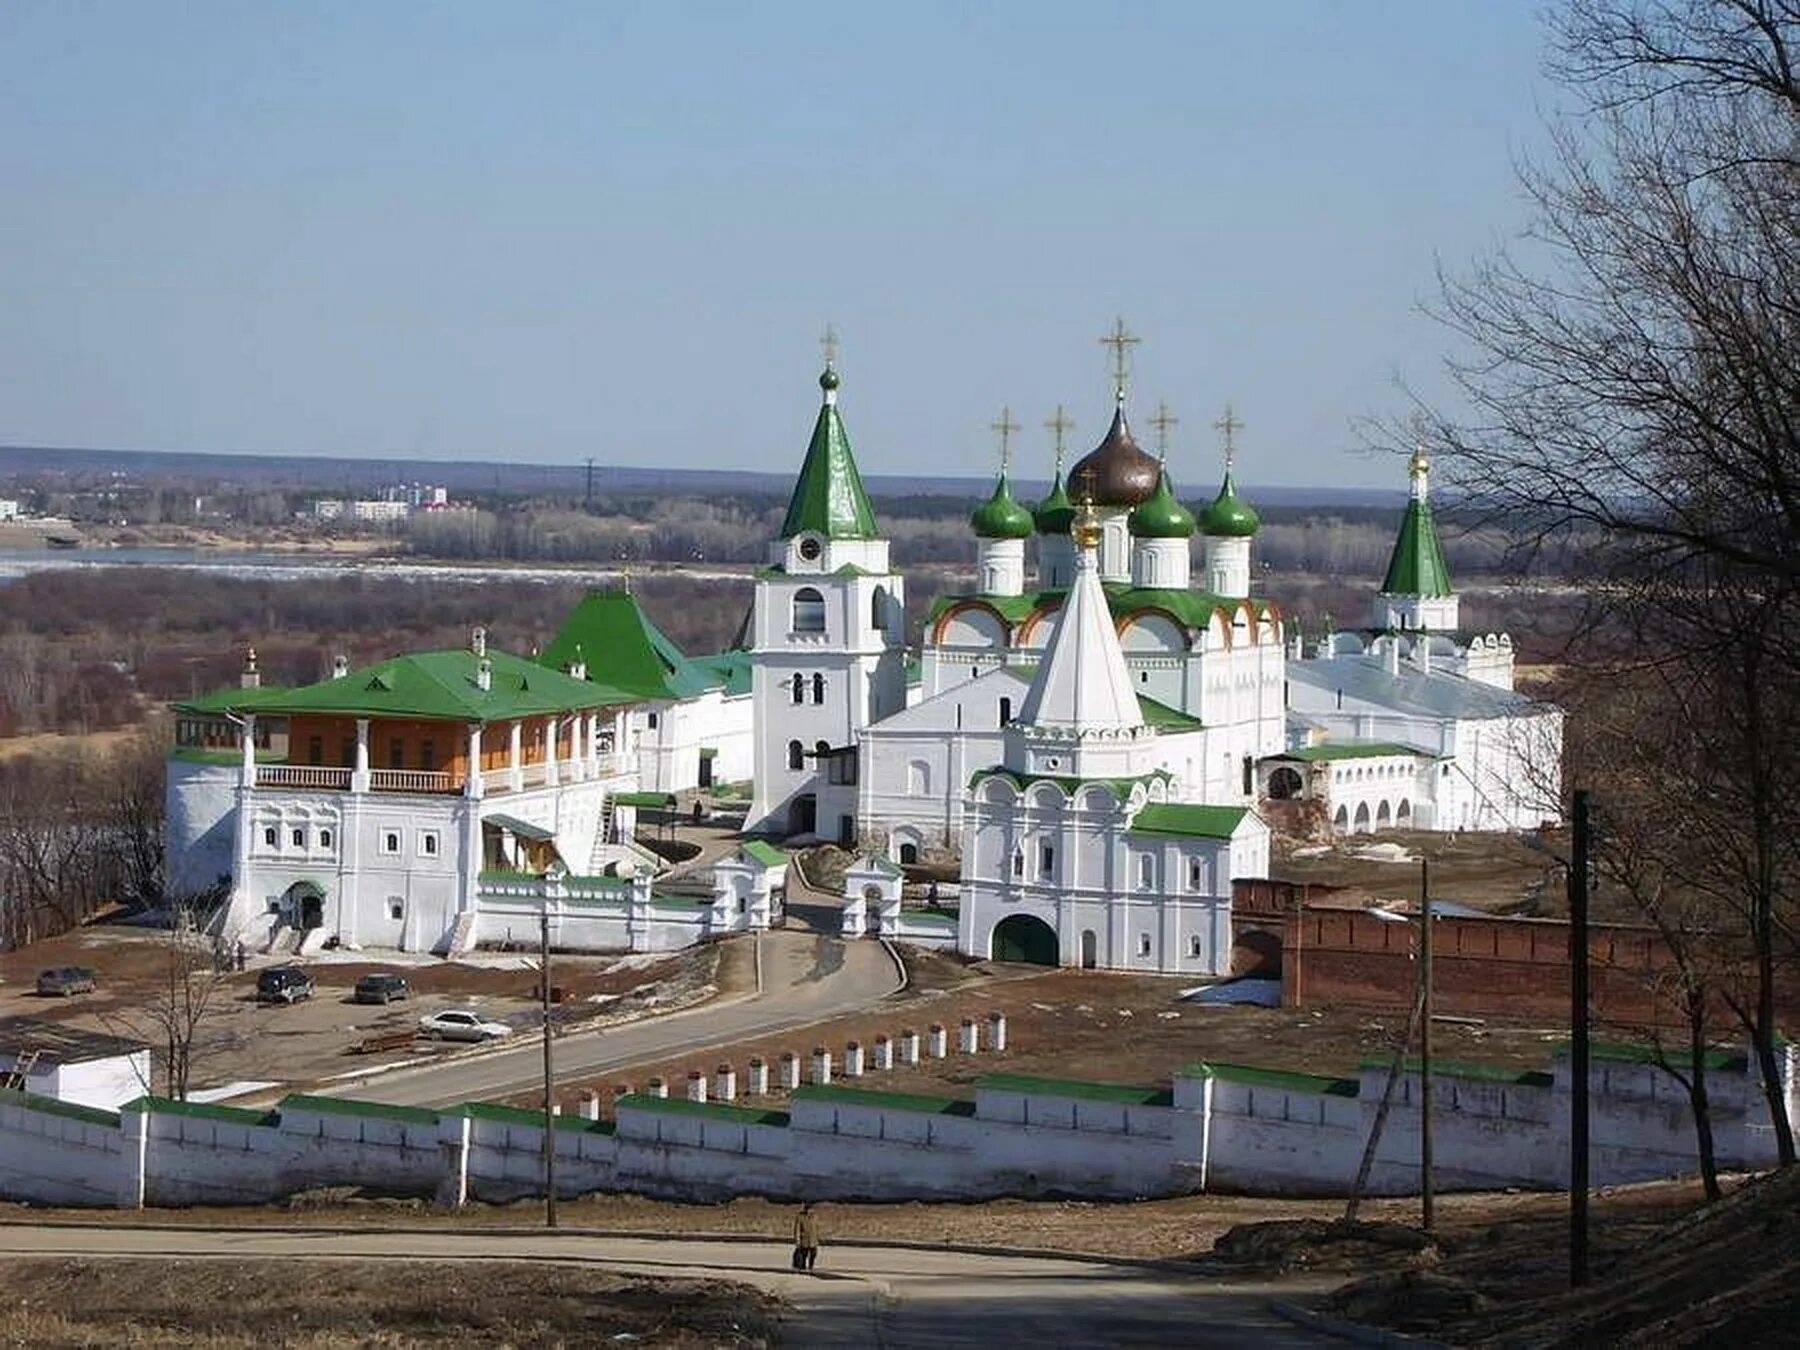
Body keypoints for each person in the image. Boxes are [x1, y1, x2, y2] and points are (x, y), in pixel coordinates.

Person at [792, 1202, 821, 1272]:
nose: (809, 1211)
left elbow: (817, 1228)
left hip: (813, 1240)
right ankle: (802, 1267)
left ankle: (811, 1266)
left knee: (813, 1254)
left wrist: (818, 1238)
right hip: (804, 1240)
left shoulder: (815, 1217)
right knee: (803, 1255)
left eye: (810, 1209)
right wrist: (797, 1241)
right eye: (807, 1209)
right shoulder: (800, 1217)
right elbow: (797, 1230)